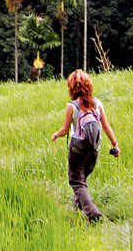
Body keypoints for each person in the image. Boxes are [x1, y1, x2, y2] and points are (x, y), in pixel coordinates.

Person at [50, 69, 120, 222]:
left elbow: (64, 130)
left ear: (71, 87)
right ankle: (77, 204)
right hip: (94, 149)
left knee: (76, 181)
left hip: (78, 150)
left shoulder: (71, 106)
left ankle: (92, 214)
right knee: (82, 178)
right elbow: (106, 126)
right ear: (89, 86)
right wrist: (115, 144)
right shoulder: (97, 104)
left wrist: (55, 135)